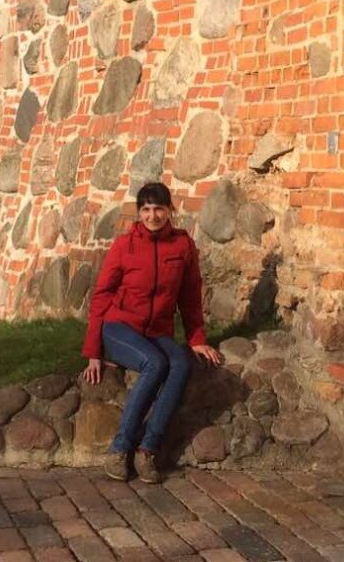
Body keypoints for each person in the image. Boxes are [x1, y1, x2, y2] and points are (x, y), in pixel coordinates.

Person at [81, 182, 222, 483]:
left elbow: (190, 296)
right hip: (119, 328)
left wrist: (196, 339)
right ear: (139, 212)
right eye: (145, 209)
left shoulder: (182, 246)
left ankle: (147, 450)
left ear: (170, 210)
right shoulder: (124, 245)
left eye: (158, 209)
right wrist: (94, 351)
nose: (152, 216)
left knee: (180, 363)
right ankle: (120, 449)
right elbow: (102, 296)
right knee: (155, 363)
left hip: (157, 331)